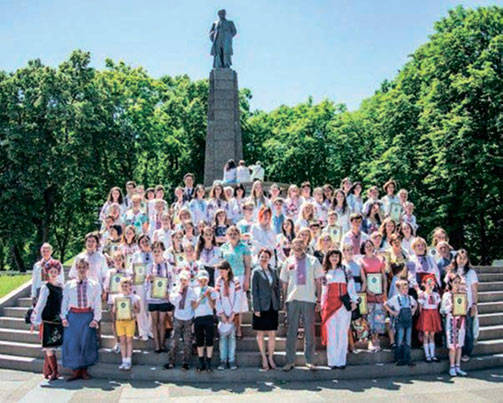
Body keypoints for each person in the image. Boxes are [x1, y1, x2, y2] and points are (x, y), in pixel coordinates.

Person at [280, 238, 323, 372]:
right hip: (292, 299)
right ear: (292, 247)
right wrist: (284, 300)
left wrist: (319, 299)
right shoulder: (288, 261)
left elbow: (318, 282)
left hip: (309, 299)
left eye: (300, 244)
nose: (298, 247)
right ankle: (290, 361)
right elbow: (284, 283)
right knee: (291, 331)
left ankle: (309, 361)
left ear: (305, 245)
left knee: (309, 331)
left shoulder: (313, 260)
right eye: (295, 245)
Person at [61, 257, 101, 381]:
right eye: (79, 267)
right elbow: (65, 301)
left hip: (87, 316)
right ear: (76, 268)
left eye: (84, 267)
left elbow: (97, 303)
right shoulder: (69, 285)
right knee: (73, 343)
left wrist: (96, 319)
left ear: (88, 268)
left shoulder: (94, 285)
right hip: (73, 316)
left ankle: (84, 370)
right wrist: (63, 317)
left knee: (86, 342)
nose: (82, 269)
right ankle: (75, 370)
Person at [321, 249, 357, 369]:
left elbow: (351, 286)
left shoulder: (346, 270)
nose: (334, 258)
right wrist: (322, 305)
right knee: (332, 333)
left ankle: (341, 361)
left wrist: (354, 300)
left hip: (343, 304)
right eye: (332, 256)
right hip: (330, 305)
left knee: (342, 332)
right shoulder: (325, 272)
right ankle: (332, 361)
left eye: (336, 256)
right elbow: (324, 291)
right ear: (328, 258)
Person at [31, 259, 64, 381]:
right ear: (47, 273)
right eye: (51, 272)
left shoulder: (60, 287)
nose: (53, 274)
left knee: (53, 345)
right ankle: (55, 371)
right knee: (49, 346)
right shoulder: (46, 287)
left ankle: (47, 369)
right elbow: (40, 304)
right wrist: (35, 319)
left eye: (55, 271)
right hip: (48, 320)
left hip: (57, 319)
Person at [220, 226, 252, 339]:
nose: (233, 236)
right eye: (230, 234)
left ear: (239, 235)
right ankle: (229, 328)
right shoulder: (223, 247)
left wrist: (247, 280)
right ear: (227, 235)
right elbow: (221, 264)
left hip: (240, 276)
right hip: (227, 277)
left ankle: (238, 329)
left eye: (235, 233)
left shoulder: (244, 248)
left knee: (238, 304)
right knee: (228, 302)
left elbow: (247, 266)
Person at [251, 249, 281, 371]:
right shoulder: (256, 272)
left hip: (272, 305)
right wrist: (255, 308)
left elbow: (277, 288)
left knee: (272, 333)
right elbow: (254, 291)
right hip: (261, 306)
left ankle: (271, 358)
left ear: (269, 258)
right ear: (259, 258)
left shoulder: (273, 271)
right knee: (260, 333)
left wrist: (279, 303)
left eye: (266, 257)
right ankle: (264, 358)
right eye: (262, 257)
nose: (264, 259)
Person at [448, 249, 478, 362]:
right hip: (453, 305)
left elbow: (474, 290)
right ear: (455, 259)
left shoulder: (471, 273)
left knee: (467, 329)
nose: (462, 260)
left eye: (464, 258)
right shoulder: (451, 271)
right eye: (459, 258)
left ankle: (466, 352)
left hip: (467, 305)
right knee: (455, 329)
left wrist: (474, 304)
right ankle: (454, 351)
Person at [165, 271, 196, 370]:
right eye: (181, 280)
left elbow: (194, 304)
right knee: (174, 340)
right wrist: (180, 291)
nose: (183, 282)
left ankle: (186, 362)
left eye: (185, 280)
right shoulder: (175, 289)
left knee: (187, 341)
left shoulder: (191, 291)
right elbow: (174, 301)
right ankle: (171, 361)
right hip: (178, 317)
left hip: (188, 318)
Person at [360, 239, 387, 351]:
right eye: (367, 246)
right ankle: (371, 340)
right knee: (369, 317)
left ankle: (377, 339)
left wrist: (384, 291)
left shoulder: (380, 259)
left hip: (379, 293)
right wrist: (367, 290)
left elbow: (384, 276)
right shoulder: (361, 260)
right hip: (368, 294)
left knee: (379, 317)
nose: (369, 248)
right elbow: (362, 278)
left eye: (370, 245)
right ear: (363, 248)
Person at [147, 241, 174, 353]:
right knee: (154, 321)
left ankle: (162, 345)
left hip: (164, 297)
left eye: (159, 251)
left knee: (162, 321)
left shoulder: (167, 266)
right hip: (152, 297)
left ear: (163, 251)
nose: (157, 253)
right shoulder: (149, 266)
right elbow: (145, 283)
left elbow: (171, 281)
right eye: (154, 251)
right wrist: (148, 279)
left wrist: (169, 292)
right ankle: (157, 346)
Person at [215, 261, 242, 370]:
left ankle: (231, 360)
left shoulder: (235, 281)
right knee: (222, 337)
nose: (221, 272)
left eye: (223, 270)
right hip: (222, 313)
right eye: (219, 271)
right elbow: (217, 297)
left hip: (232, 313)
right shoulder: (218, 281)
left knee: (232, 337)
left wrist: (233, 313)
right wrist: (221, 313)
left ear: (228, 270)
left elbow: (238, 297)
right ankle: (222, 360)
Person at [384, 279, 417, 367]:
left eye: (406, 288)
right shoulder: (396, 298)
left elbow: (415, 304)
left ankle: (407, 358)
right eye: (403, 289)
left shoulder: (410, 298)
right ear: (398, 289)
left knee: (408, 340)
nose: (405, 290)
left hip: (408, 321)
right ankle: (398, 358)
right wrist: (393, 312)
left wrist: (413, 310)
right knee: (399, 339)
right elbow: (385, 304)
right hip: (400, 322)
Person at [104, 250, 131, 353]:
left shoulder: (127, 272)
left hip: (124, 300)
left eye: (120, 259)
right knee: (114, 321)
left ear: (123, 260)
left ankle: (126, 342)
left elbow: (130, 286)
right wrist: (109, 288)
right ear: (113, 261)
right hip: (113, 299)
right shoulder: (110, 272)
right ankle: (118, 342)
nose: (118, 261)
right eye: (116, 259)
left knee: (125, 321)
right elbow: (106, 286)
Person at [441, 273, 468, 377]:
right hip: (451, 321)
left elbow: (465, 308)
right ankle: (452, 367)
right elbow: (442, 310)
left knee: (459, 345)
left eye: (459, 282)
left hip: (460, 321)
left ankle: (458, 366)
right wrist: (450, 307)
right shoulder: (447, 295)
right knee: (452, 345)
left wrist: (465, 305)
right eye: (455, 282)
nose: (457, 284)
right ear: (451, 283)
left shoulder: (462, 295)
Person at [192, 270, 218, 372]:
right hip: (198, 317)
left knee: (209, 340)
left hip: (208, 316)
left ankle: (208, 362)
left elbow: (213, 306)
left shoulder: (212, 290)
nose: (203, 283)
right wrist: (201, 297)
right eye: (201, 280)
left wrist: (208, 296)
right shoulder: (194, 290)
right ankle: (201, 361)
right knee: (199, 340)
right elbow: (193, 306)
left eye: (205, 280)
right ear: (198, 281)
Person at [113, 278, 140, 371]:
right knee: (122, 341)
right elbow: (114, 310)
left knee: (129, 340)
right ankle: (123, 360)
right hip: (120, 321)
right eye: (123, 286)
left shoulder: (135, 297)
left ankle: (128, 360)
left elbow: (138, 310)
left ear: (130, 287)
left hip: (130, 321)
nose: (125, 287)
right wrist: (117, 308)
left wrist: (132, 308)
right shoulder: (117, 298)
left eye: (126, 286)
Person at [131, 235, 153, 341]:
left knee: (151, 307)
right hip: (140, 283)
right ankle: (143, 331)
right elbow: (132, 269)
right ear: (139, 244)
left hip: (152, 283)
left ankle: (150, 330)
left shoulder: (154, 253)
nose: (145, 243)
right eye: (142, 241)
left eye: (147, 240)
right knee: (141, 307)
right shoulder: (136, 255)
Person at [417, 275, 442, 362]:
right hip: (426, 314)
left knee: (432, 335)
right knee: (426, 335)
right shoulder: (423, 295)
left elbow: (437, 306)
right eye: (429, 284)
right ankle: (427, 355)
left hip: (433, 314)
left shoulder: (436, 295)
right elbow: (420, 307)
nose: (431, 286)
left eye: (432, 284)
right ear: (424, 284)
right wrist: (422, 316)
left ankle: (433, 355)